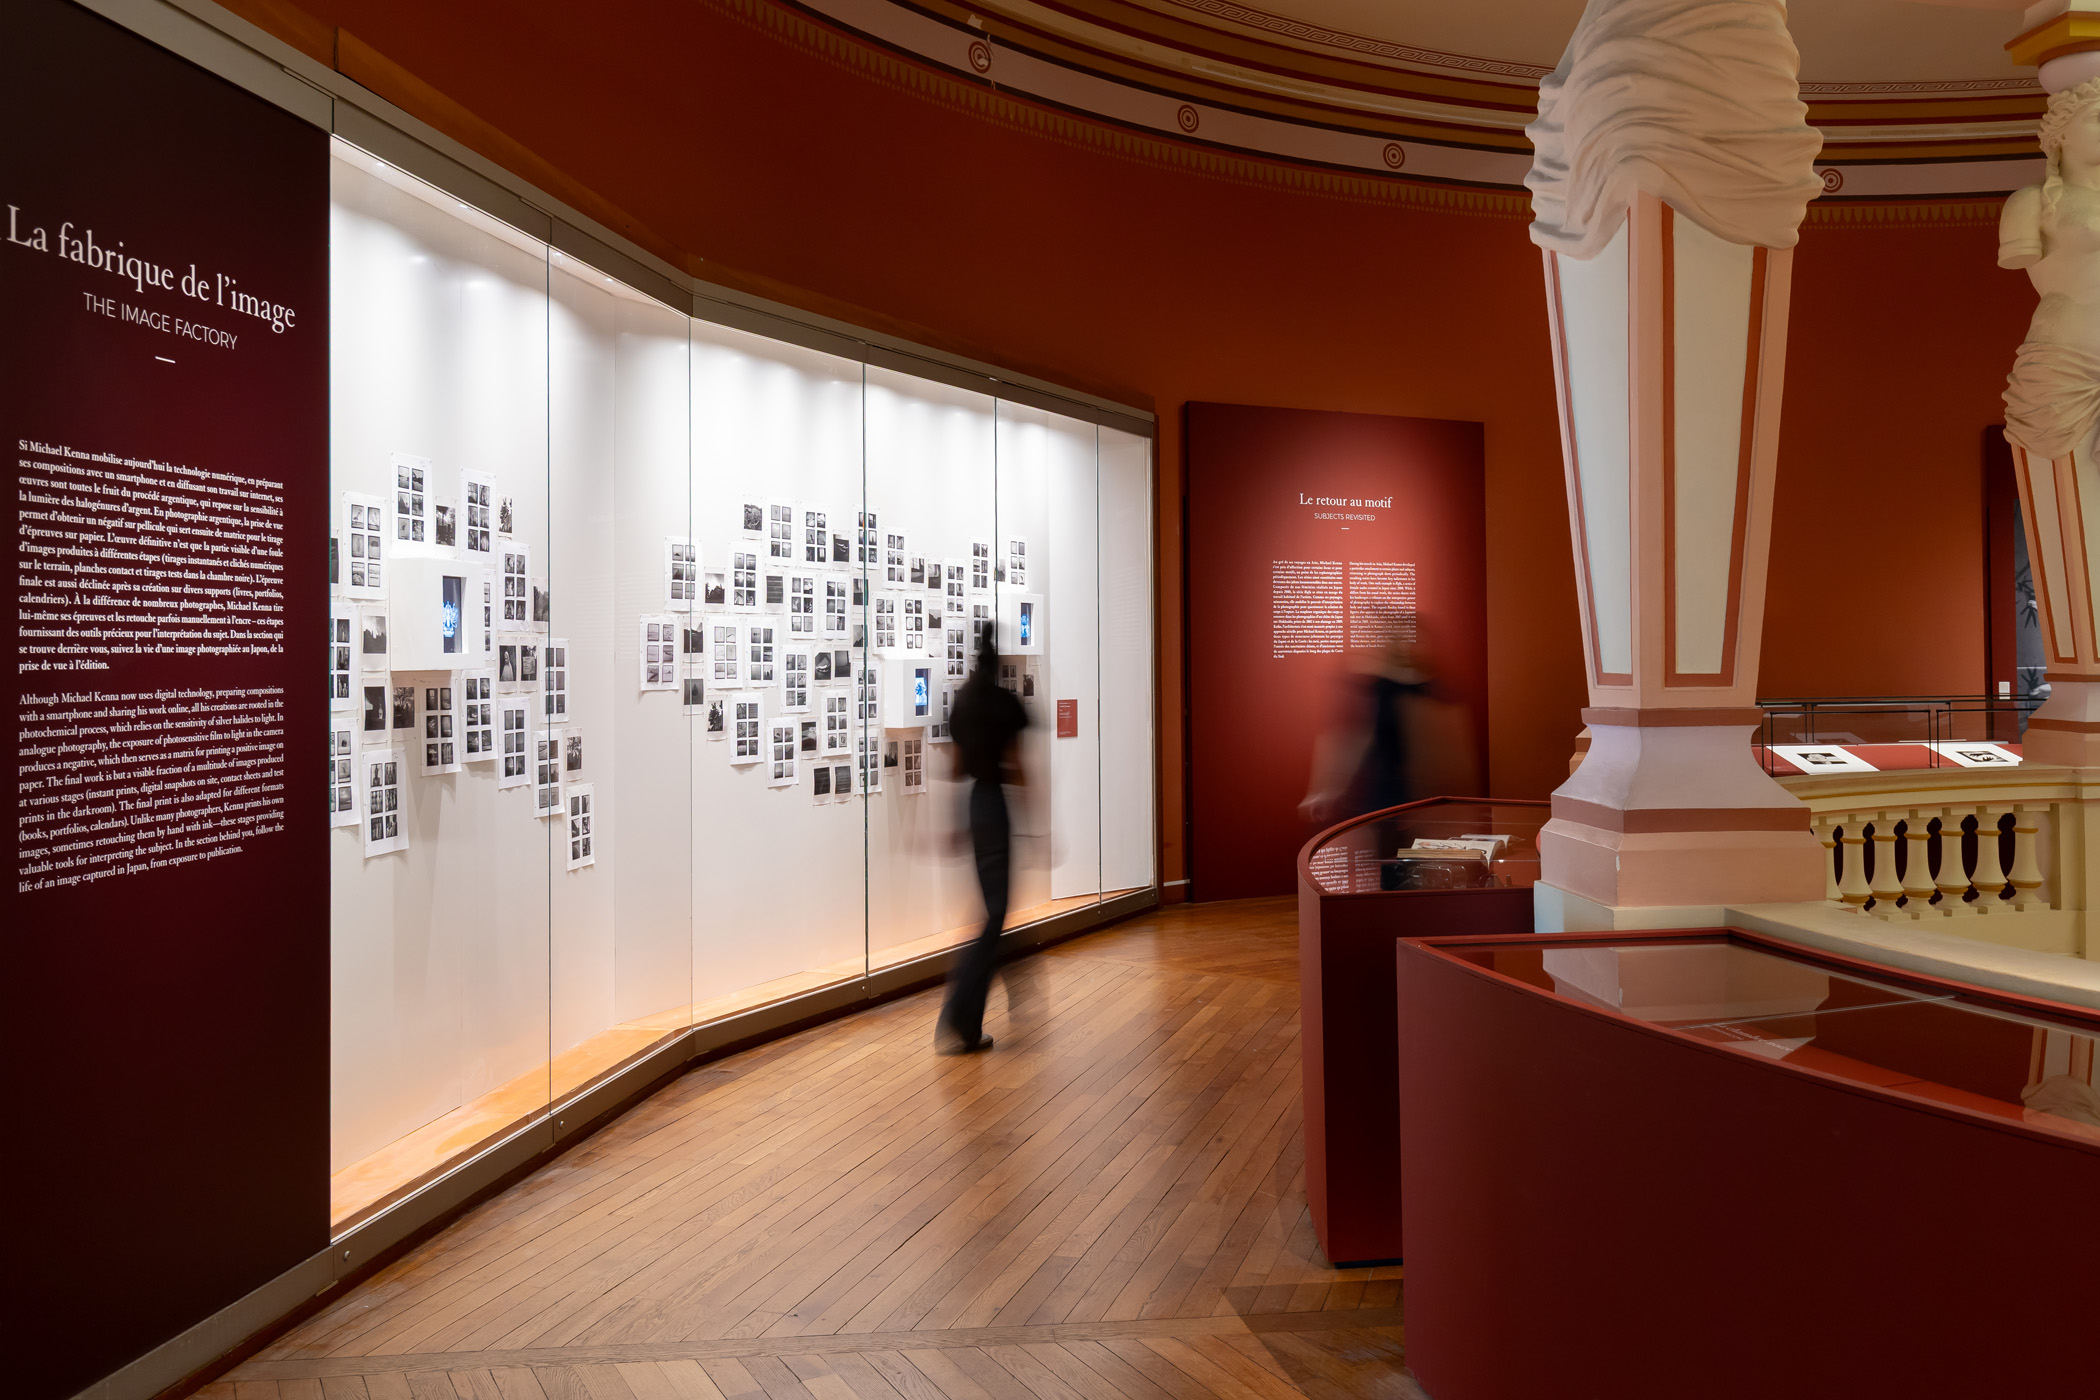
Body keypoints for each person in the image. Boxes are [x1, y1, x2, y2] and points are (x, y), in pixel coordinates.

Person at [938, 633, 1029, 1053]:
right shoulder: (1005, 705)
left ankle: (966, 1020)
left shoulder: (964, 703)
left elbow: (956, 769)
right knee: (995, 917)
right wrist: (1036, 823)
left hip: (976, 805)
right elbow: (1016, 767)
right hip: (995, 805)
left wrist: (956, 825)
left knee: (993, 916)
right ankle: (959, 1018)